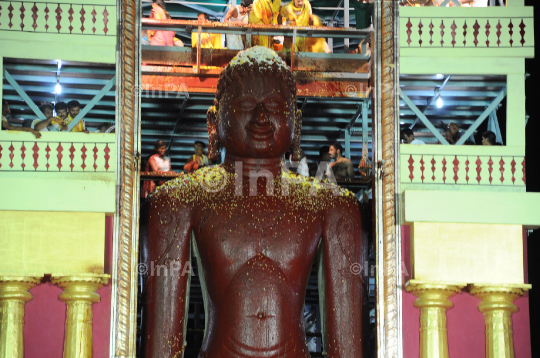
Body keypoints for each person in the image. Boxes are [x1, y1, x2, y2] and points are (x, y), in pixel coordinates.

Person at [141, 46, 363, 357]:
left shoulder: (331, 206)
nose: (261, 117)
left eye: (274, 105)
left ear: (295, 124)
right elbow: (162, 346)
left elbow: (347, 347)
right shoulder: (179, 201)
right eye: (246, 104)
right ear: (214, 121)